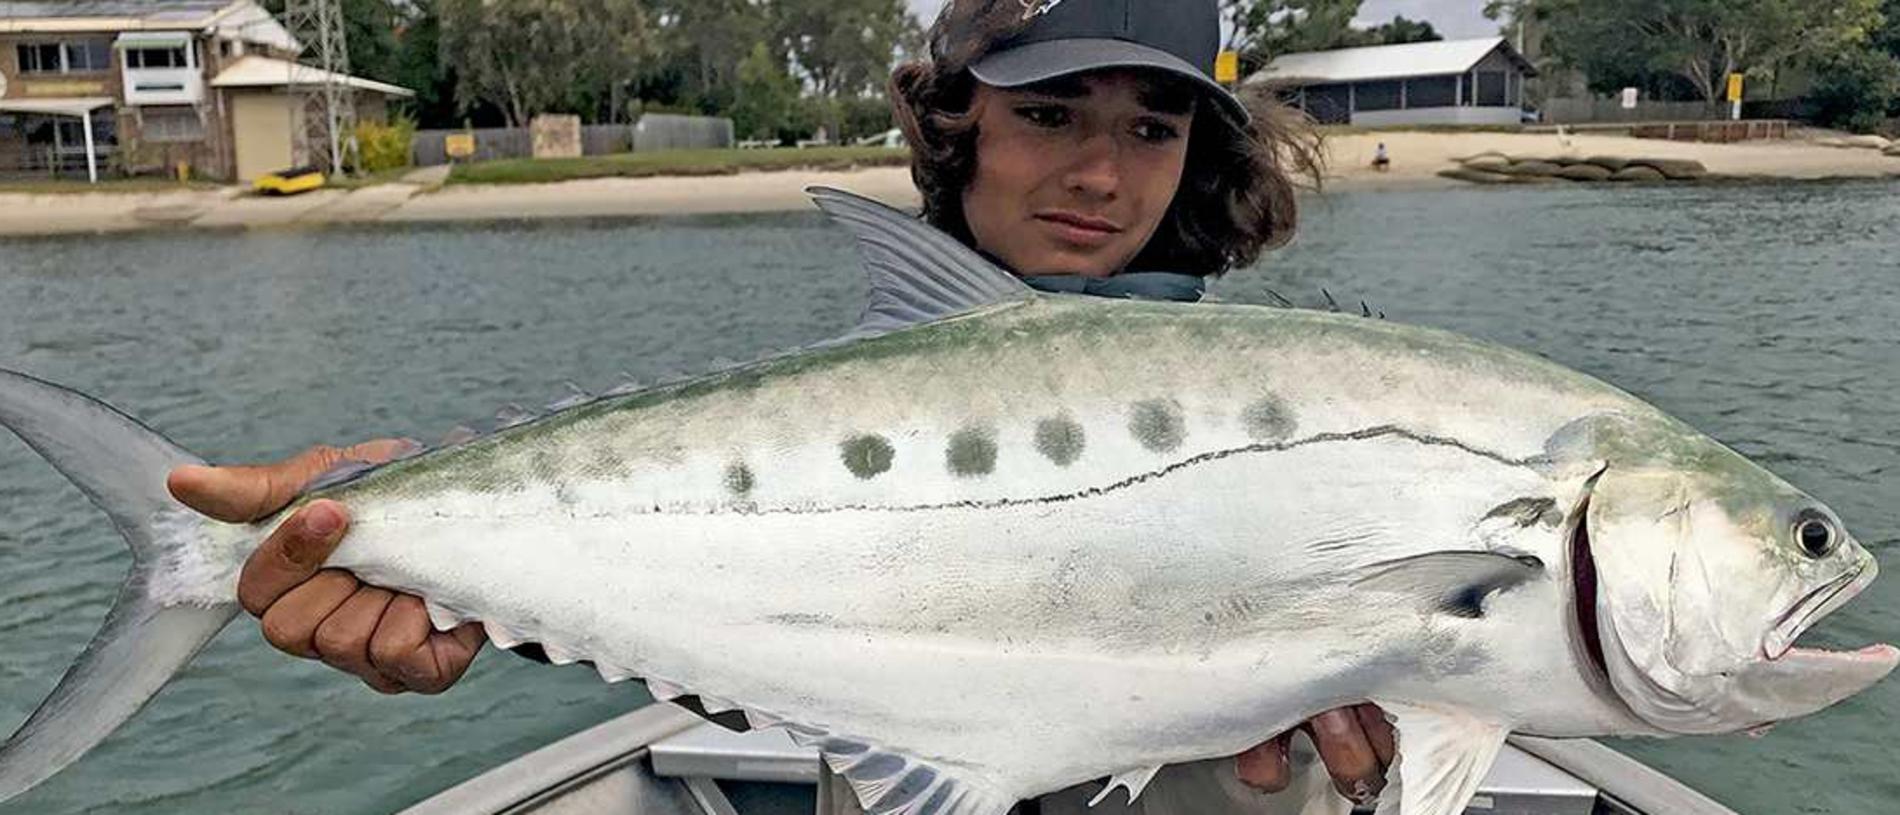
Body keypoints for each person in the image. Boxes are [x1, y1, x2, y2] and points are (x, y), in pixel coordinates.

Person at [166, 0, 1397, 809]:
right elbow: (747, 630)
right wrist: (426, 546)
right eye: (1047, 112)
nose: (1098, 171)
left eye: (1152, 124)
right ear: (957, 119)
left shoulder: (1328, 394)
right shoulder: (808, 423)